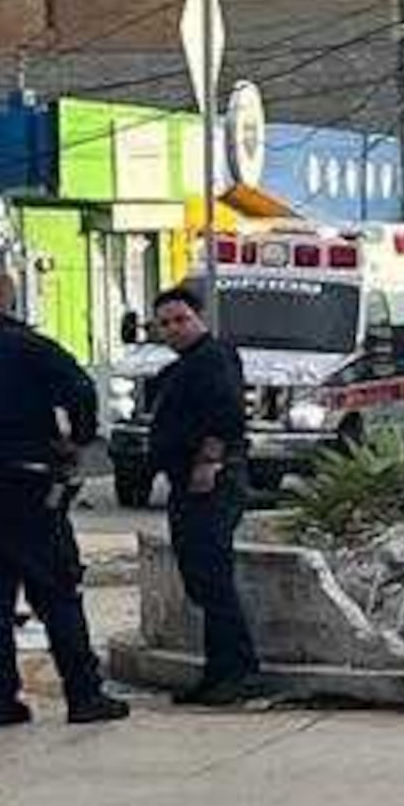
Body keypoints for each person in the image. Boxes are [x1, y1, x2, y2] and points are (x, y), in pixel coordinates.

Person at [0, 267, 130, 728]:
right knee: (56, 589)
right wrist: (77, 440)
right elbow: (79, 389)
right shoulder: (33, 349)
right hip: (27, 482)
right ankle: (83, 694)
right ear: (10, 300)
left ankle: (0, 702)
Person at [147, 282, 265, 705]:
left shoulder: (213, 357)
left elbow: (227, 414)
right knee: (201, 580)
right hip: (188, 484)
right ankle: (219, 671)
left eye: (181, 320)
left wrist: (207, 463)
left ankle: (238, 670)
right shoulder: (184, 366)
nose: (174, 329)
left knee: (213, 580)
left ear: (200, 319)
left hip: (210, 484)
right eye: (165, 324)